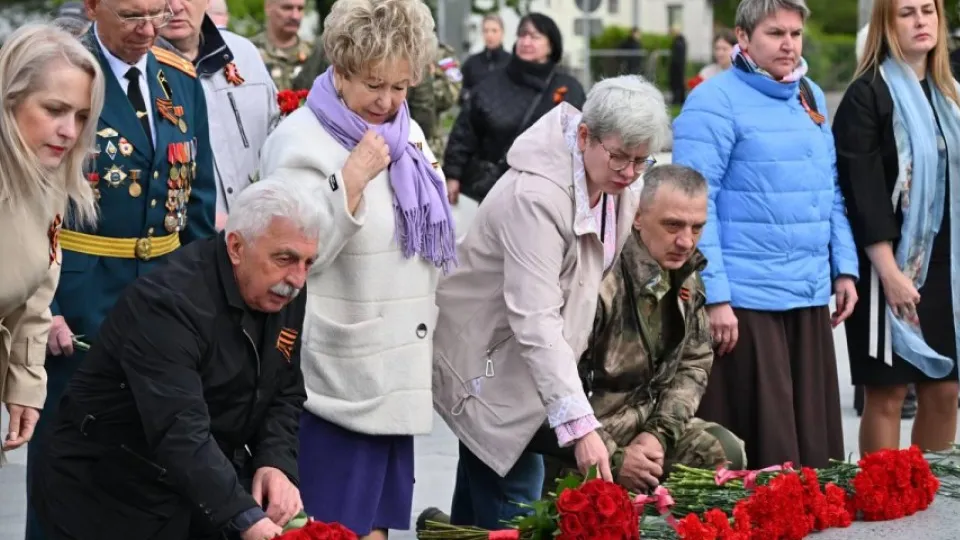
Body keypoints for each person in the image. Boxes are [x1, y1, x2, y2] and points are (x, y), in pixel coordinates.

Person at [430, 75, 671, 529]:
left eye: (641, 161)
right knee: (517, 505)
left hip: (529, 370)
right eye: (619, 156)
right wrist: (580, 426)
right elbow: (535, 319)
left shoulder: (621, 182)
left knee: (478, 513)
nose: (629, 172)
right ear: (584, 136)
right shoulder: (536, 198)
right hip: (489, 366)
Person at [257, 0, 456, 537]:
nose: (387, 101)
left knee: (381, 528)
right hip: (337, 382)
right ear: (340, 72)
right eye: (374, 84)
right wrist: (350, 181)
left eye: (400, 85)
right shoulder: (300, 139)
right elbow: (283, 259)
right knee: (334, 526)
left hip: (397, 374)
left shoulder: (405, 132)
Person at [32, 177, 317, 540]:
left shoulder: (284, 290)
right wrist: (245, 517)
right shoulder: (170, 302)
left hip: (197, 482)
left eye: (309, 262)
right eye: (285, 258)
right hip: (112, 492)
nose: (296, 278)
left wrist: (275, 463)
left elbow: (284, 389)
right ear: (235, 246)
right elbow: (178, 427)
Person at [26, 0, 217, 536]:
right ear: (91, 6)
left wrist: (209, 307)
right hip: (80, 299)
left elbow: (197, 203)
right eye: (132, 14)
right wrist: (46, 307)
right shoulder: (61, 71)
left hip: (164, 295)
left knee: (155, 456)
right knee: (68, 459)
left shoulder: (179, 80)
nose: (149, 29)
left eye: (156, 12)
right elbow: (26, 203)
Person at [672, 0, 859, 470]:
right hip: (748, 299)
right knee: (761, 452)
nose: (789, 45)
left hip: (808, 290)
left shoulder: (809, 93)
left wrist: (845, 268)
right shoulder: (712, 101)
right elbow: (695, 206)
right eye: (776, 33)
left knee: (811, 452)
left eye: (795, 34)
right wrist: (716, 296)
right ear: (743, 37)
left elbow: (830, 188)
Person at [537, 164, 747, 492]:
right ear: (636, 216)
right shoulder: (600, 278)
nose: (685, 241)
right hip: (585, 435)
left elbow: (694, 365)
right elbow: (552, 392)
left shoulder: (687, 274)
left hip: (645, 425)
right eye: (673, 225)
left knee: (724, 451)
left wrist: (658, 435)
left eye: (697, 228)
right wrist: (617, 458)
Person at [833, 0, 960, 455]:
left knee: (946, 390)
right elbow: (862, 194)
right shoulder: (866, 95)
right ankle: (884, 497)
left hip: (947, 267)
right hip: (883, 265)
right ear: (887, 24)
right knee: (886, 393)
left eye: (928, 10)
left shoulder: (950, 94)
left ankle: (928, 495)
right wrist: (890, 274)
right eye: (907, 12)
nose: (921, 20)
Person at [0, 24, 103, 457]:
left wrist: (25, 380)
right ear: (9, 101)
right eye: (55, 109)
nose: (69, 131)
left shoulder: (46, 176)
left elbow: (37, 291)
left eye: (80, 116)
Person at [159, 0, 280, 229]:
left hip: (255, 235)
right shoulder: (138, 70)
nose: (174, 7)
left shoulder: (244, 55)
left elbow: (277, 138)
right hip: (182, 245)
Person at [443, 13, 586, 205]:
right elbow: (464, 132)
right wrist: (452, 175)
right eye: (522, 35)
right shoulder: (491, 84)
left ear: (552, 45)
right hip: (489, 192)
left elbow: (580, 144)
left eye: (535, 37)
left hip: (547, 195)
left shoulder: (569, 89)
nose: (526, 42)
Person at [409, 41, 463, 166]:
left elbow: (451, 96)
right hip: (396, 139)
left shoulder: (442, 54)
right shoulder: (396, 47)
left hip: (430, 144)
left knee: (432, 179)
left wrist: (426, 83)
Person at [251, 0, 312, 91]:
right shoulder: (248, 51)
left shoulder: (315, 54)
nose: (295, 16)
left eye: (300, 9)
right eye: (287, 8)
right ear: (268, 7)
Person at [459, 14, 509, 105]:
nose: (489, 35)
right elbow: (460, 89)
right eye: (486, 31)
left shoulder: (511, 62)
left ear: (502, 33)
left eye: (494, 31)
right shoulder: (472, 63)